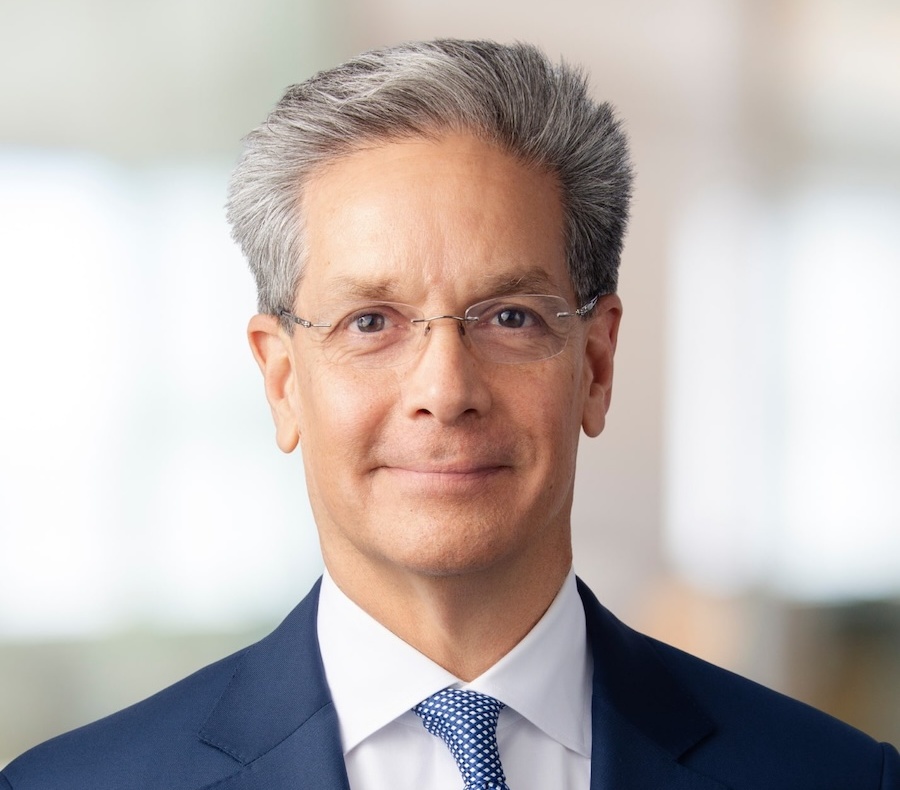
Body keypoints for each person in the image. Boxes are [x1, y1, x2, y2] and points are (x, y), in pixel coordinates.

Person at [2, 38, 897, 790]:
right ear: (282, 381)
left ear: (595, 361)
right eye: (371, 322)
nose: (445, 388)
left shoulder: (834, 776)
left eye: (509, 316)